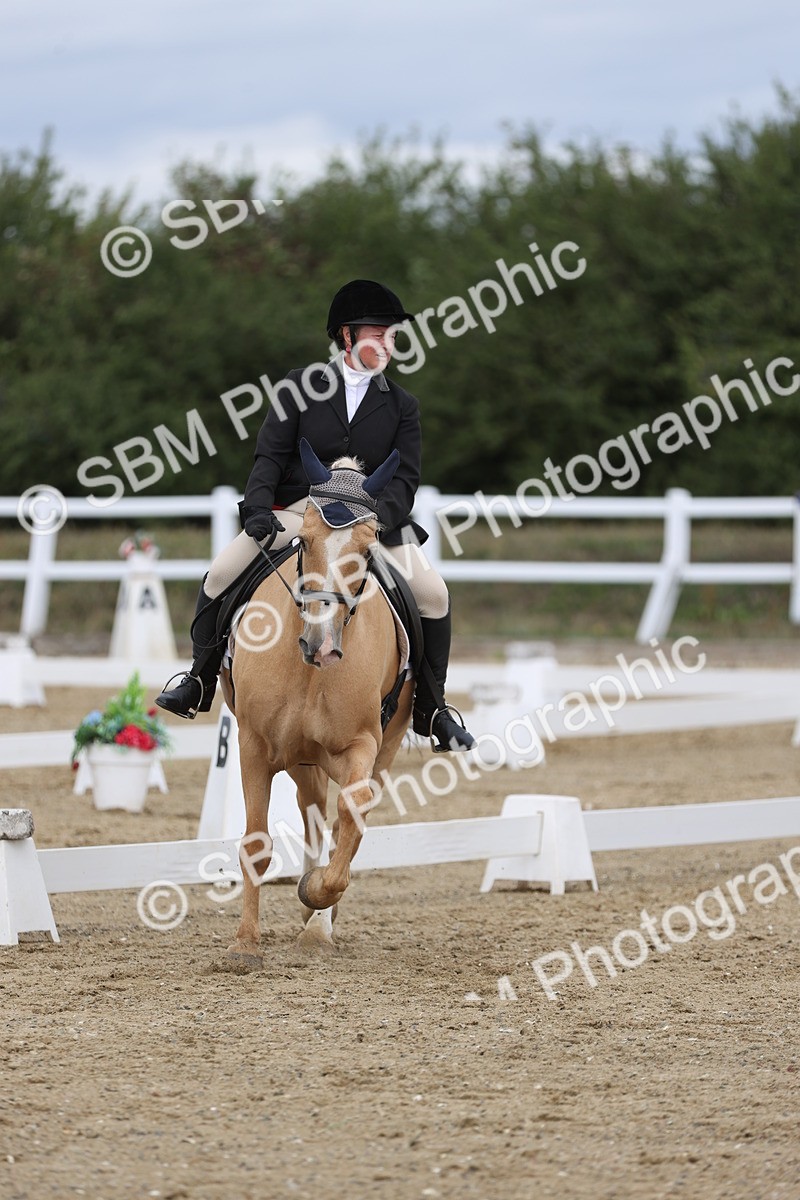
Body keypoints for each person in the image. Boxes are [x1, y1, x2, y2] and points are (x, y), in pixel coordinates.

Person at [156, 279, 475, 752]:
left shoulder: (402, 406)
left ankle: (433, 707)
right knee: (221, 574)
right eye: (378, 334)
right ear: (347, 336)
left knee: (433, 594)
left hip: (370, 522)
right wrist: (258, 509)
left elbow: (405, 480)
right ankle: (198, 680)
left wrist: (378, 521)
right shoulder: (298, 387)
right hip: (301, 514)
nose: (388, 344)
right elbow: (268, 456)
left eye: (392, 335)